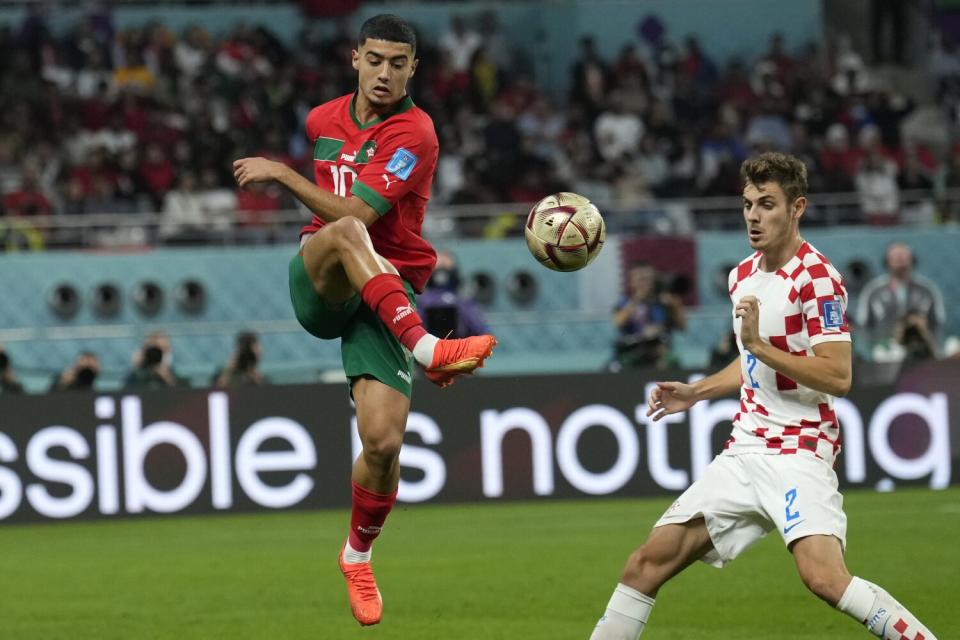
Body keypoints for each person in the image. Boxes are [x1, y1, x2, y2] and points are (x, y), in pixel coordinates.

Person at [588, 152, 938, 640]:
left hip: (800, 448)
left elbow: (838, 375)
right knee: (645, 564)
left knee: (824, 579)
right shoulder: (742, 277)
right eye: (748, 203)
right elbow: (751, 363)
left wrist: (758, 345)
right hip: (746, 448)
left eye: (767, 204)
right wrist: (698, 391)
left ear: (797, 208)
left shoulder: (818, 279)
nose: (753, 215)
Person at [232, 15, 497, 627]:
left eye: (397, 63)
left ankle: (356, 554)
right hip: (321, 276)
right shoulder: (322, 119)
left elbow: (355, 204)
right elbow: (346, 217)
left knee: (382, 442)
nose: (384, 73)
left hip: (387, 287)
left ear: (414, 69)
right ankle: (429, 349)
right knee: (346, 230)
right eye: (374, 59)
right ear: (355, 58)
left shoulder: (417, 134)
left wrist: (283, 173)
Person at [856, 242, 946, 362]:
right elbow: (863, 326)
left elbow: (938, 324)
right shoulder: (873, 291)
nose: (900, 261)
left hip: (921, 353)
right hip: (883, 352)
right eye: (895, 257)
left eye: (904, 257)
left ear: (912, 260)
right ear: (887, 261)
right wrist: (868, 352)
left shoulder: (927, 290)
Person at [611, 263, 686, 369]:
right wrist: (637, 299)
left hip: (660, 352)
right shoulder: (625, 302)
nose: (645, 283)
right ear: (631, 282)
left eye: (648, 278)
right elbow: (618, 322)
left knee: (672, 361)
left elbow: (682, 327)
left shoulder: (663, 302)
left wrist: (675, 306)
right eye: (640, 279)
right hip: (632, 351)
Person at [417, 250, 490, 339]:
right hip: (429, 347)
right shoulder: (422, 301)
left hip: (459, 347)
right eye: (439, 264)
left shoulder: (464, 301)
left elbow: (482, 331)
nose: (442, 267)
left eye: (445, 264)